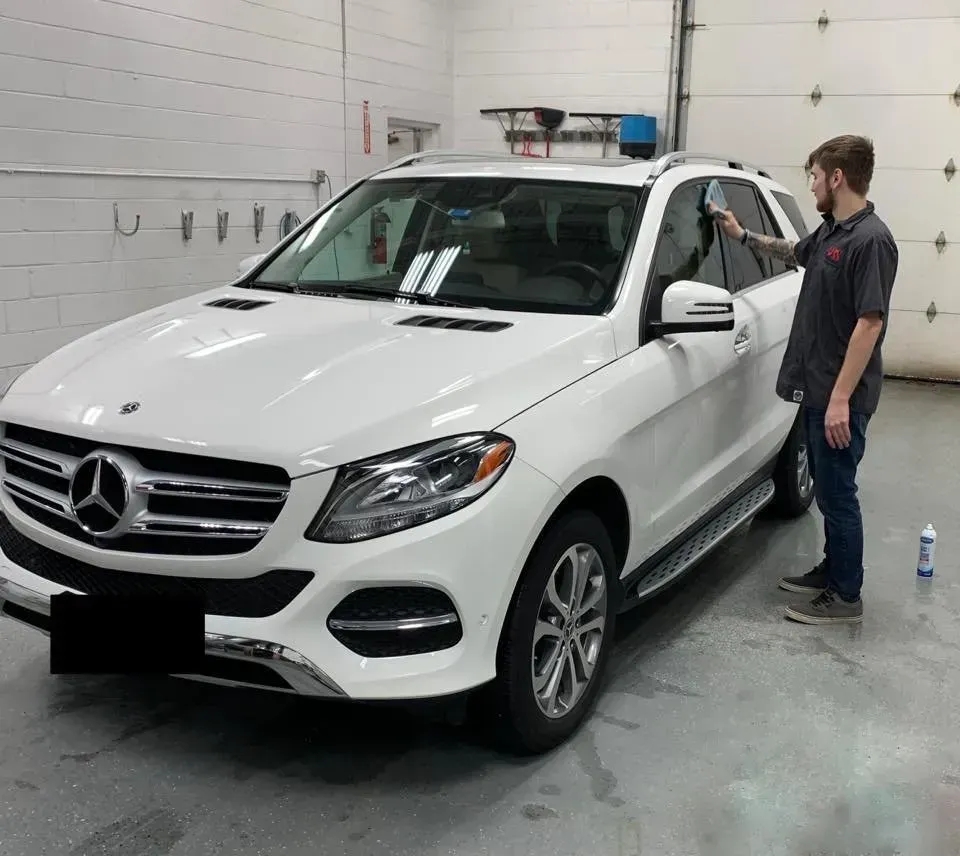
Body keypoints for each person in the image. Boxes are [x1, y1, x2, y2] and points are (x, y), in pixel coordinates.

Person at [710, 135, 898, 624]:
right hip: (818, 388)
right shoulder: (833, 231)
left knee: (838, 494)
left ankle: (846, 596)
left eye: (814, 177)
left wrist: (840, 400)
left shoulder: (871, 240)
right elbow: (795, 251)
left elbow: (870, 324)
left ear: (837, 177)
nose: (811, 185)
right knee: (829, 490)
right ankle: (833, 571)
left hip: (841, 397)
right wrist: (742, 236)